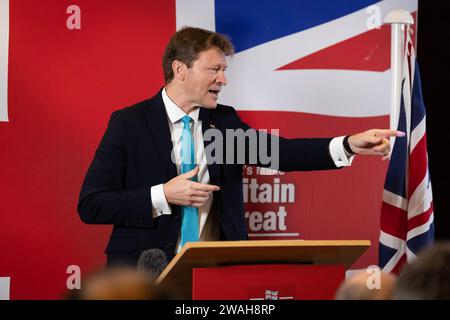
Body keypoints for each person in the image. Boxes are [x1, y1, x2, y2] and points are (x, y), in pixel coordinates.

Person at [78, 26, 403, 266]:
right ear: (180, 69)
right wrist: (163, 194)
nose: (224, 80)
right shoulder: (129, 123)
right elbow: (92, 204)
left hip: (213, 272)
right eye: (214, 69)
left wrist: (347, 144)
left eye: (225, 70)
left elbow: (281, 153)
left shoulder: (223, 122)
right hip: (141, 274)